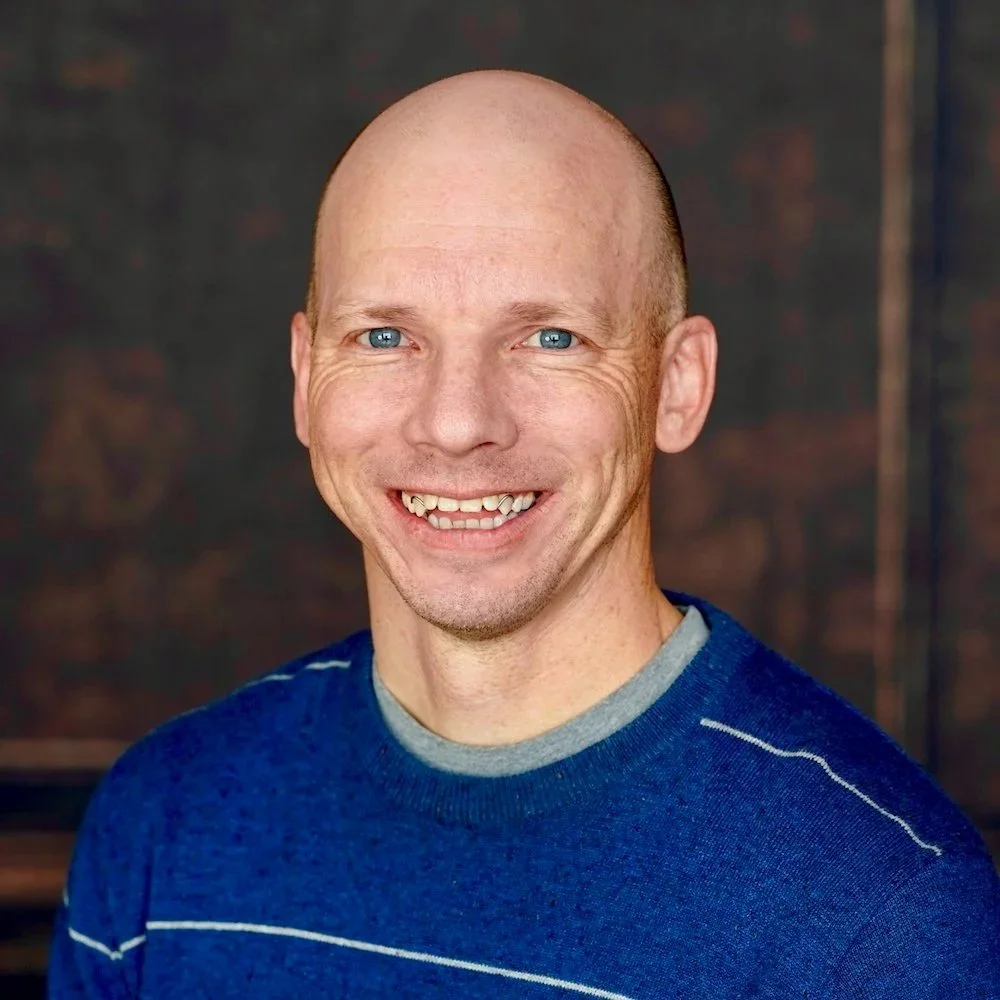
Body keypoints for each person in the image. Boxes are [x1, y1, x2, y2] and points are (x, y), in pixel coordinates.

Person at [50, 70, 998, 999]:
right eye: (385, 337)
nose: (457, 422)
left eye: (550, 338)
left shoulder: (884, 918)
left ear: (679, 385)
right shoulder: (164, 825)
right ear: (305, 377)